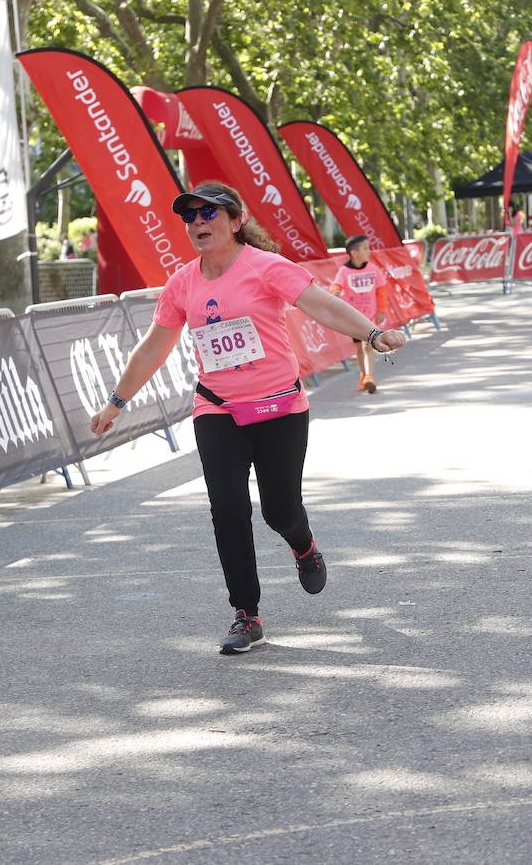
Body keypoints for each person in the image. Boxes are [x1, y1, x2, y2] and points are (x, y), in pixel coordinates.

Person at [88, 182, 406, 655]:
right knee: (228, 511)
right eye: (190, 216)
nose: (198, 222)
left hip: (279, 407)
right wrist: (116, 401)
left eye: (208, 213)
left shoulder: (266, 267)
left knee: (280, 510)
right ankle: (246, 614)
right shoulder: (183, 283)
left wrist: (373, 333)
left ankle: (304, 546)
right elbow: (155, 345)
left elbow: (319, 304)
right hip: (217, 409)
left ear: (236, 221)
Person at [329, 234, 390, 393]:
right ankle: (364, 376)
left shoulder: (373, 268)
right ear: (354, 253)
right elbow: (336, 286)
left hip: (370, 316)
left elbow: (381, 289)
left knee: (368, 345)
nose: (369, 251)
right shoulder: (344, 271)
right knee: (359, 348)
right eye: (365, 248)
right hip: (353, 317)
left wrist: (382, 309)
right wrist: (335, 292)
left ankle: (369, 376)